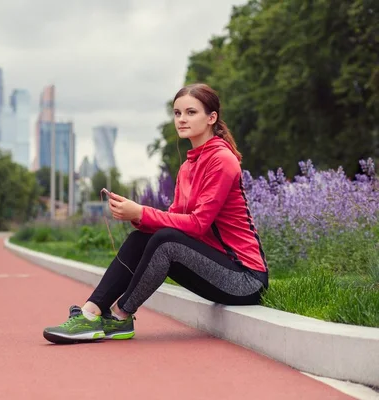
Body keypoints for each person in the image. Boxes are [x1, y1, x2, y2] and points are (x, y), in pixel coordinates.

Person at [43, 83, 269, 344]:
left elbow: (197, 225)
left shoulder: (221, 159)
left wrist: (142, 211)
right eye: (177, 113)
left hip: (244, 279)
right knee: (143, 238)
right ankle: (91, 313)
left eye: (191, 112)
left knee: (166, 242)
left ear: (212, 118)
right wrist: (136, 216)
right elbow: (173, 221)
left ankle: (119, 316)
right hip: (216, 269)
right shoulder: (187, 167)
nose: (182, 119)